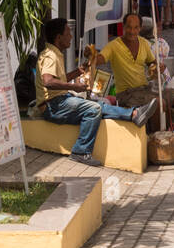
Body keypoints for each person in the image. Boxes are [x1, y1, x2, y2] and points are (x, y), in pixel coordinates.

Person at [35, 18, 152, 166]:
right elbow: (48, 81)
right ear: (59, 37)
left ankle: (135, 114)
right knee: (93, 109)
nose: (71, 36)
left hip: (60, 101)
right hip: (52, 105)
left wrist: (78, 72)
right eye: (68, 33)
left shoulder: (54, 53)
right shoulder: (50, 56)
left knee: (96, 104)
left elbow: (59, 78)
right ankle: (80, 151)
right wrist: (73, 87)